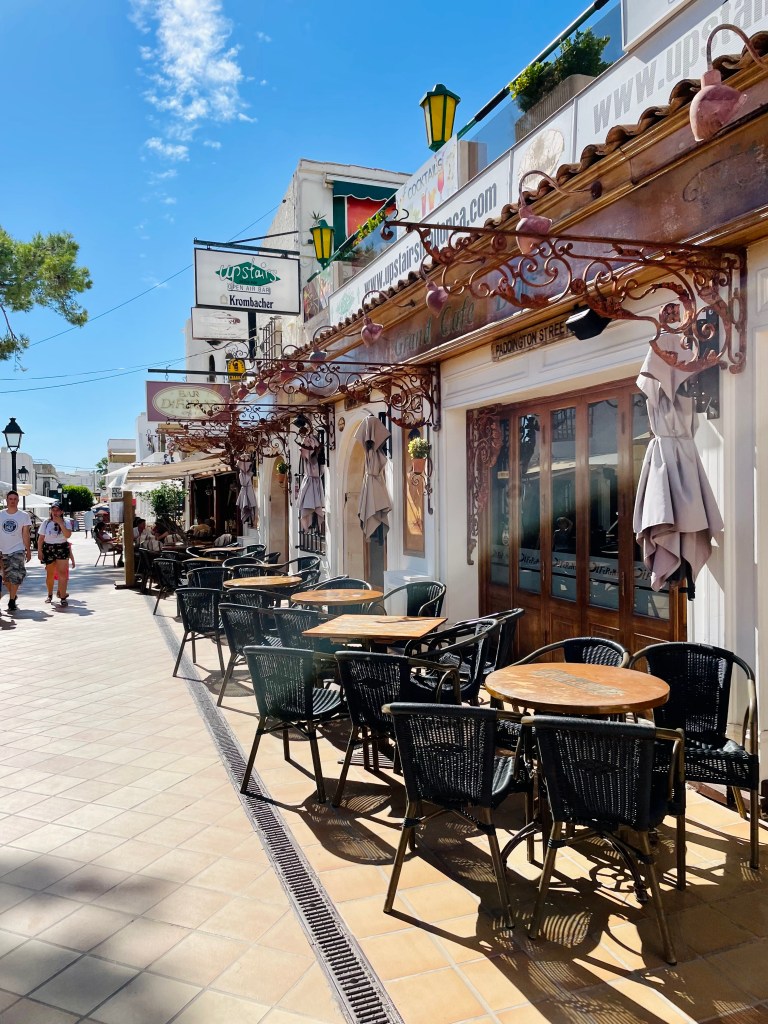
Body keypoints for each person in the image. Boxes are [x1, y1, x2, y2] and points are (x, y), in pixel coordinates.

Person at [0, 490, 32, 613]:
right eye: (10, 499)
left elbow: (25, 534)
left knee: (16, 576)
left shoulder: (24, 516)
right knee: (6, 579)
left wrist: (28, 550)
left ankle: (12, 600)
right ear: (6, 500)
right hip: (2, 550)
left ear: (18, 501)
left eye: (15, 499)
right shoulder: (1, 515)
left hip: (17, 549)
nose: (12, 501)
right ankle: (13, 594)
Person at [37, 502, 72, 606]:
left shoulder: (66, 522)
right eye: (53, 510)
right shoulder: (46, 522)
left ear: (61, 512)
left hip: (62, 547)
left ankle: (62, 596)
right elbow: (41, 538)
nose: (55, 512)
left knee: (62, 573)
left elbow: (68, 535)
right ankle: (49, 594)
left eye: (57, 510)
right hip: (49, 548)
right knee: (50, 574)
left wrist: (60, 524)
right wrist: (39, 551)